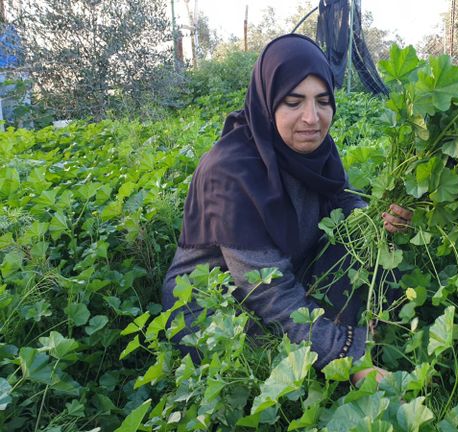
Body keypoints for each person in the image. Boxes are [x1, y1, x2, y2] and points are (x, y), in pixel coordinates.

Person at [162, 34, 411, 385]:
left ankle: (344, 339)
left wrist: (373, 217)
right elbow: (267, 290)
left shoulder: (317, 148)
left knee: (360, 247)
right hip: (219, 302)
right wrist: (351, 362)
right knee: (260, 358)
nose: (312, 118)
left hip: (290, 268)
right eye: (293, 102)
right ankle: (338, 349)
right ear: (268, 101)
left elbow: (342, 200)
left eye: (322, 101)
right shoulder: (229, 171)